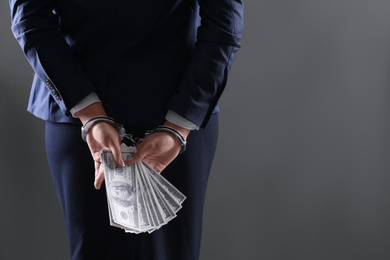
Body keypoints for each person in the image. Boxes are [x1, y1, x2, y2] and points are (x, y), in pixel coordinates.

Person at [9, 0, 244, 259]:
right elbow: (29, 18)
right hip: (78, 108)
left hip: (178, 110)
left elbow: (224, 23)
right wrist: (89, 113)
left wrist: (178, 126)